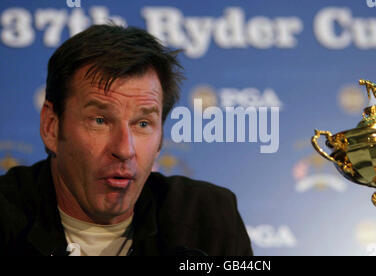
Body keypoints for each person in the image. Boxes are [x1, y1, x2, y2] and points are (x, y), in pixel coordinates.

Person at [0, 24, 253, 256]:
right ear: (51, 128)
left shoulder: (209, 220)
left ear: (161, 137)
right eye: (100, 120)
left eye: (143, 124)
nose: (124, 149)